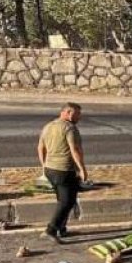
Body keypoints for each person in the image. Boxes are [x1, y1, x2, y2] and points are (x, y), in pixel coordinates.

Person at [37, 102, 88, 243]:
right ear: (68, 113)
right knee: (67, 201)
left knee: (62, 200)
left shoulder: (48, 126)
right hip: (64, 170)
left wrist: (44, 165)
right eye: (77, 114)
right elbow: (75, 149)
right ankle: (51, 230)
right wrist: (82, 169)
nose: (79, 117)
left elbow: (40, 147)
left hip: (50, 170)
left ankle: (61, 228)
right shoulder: (69, 128)